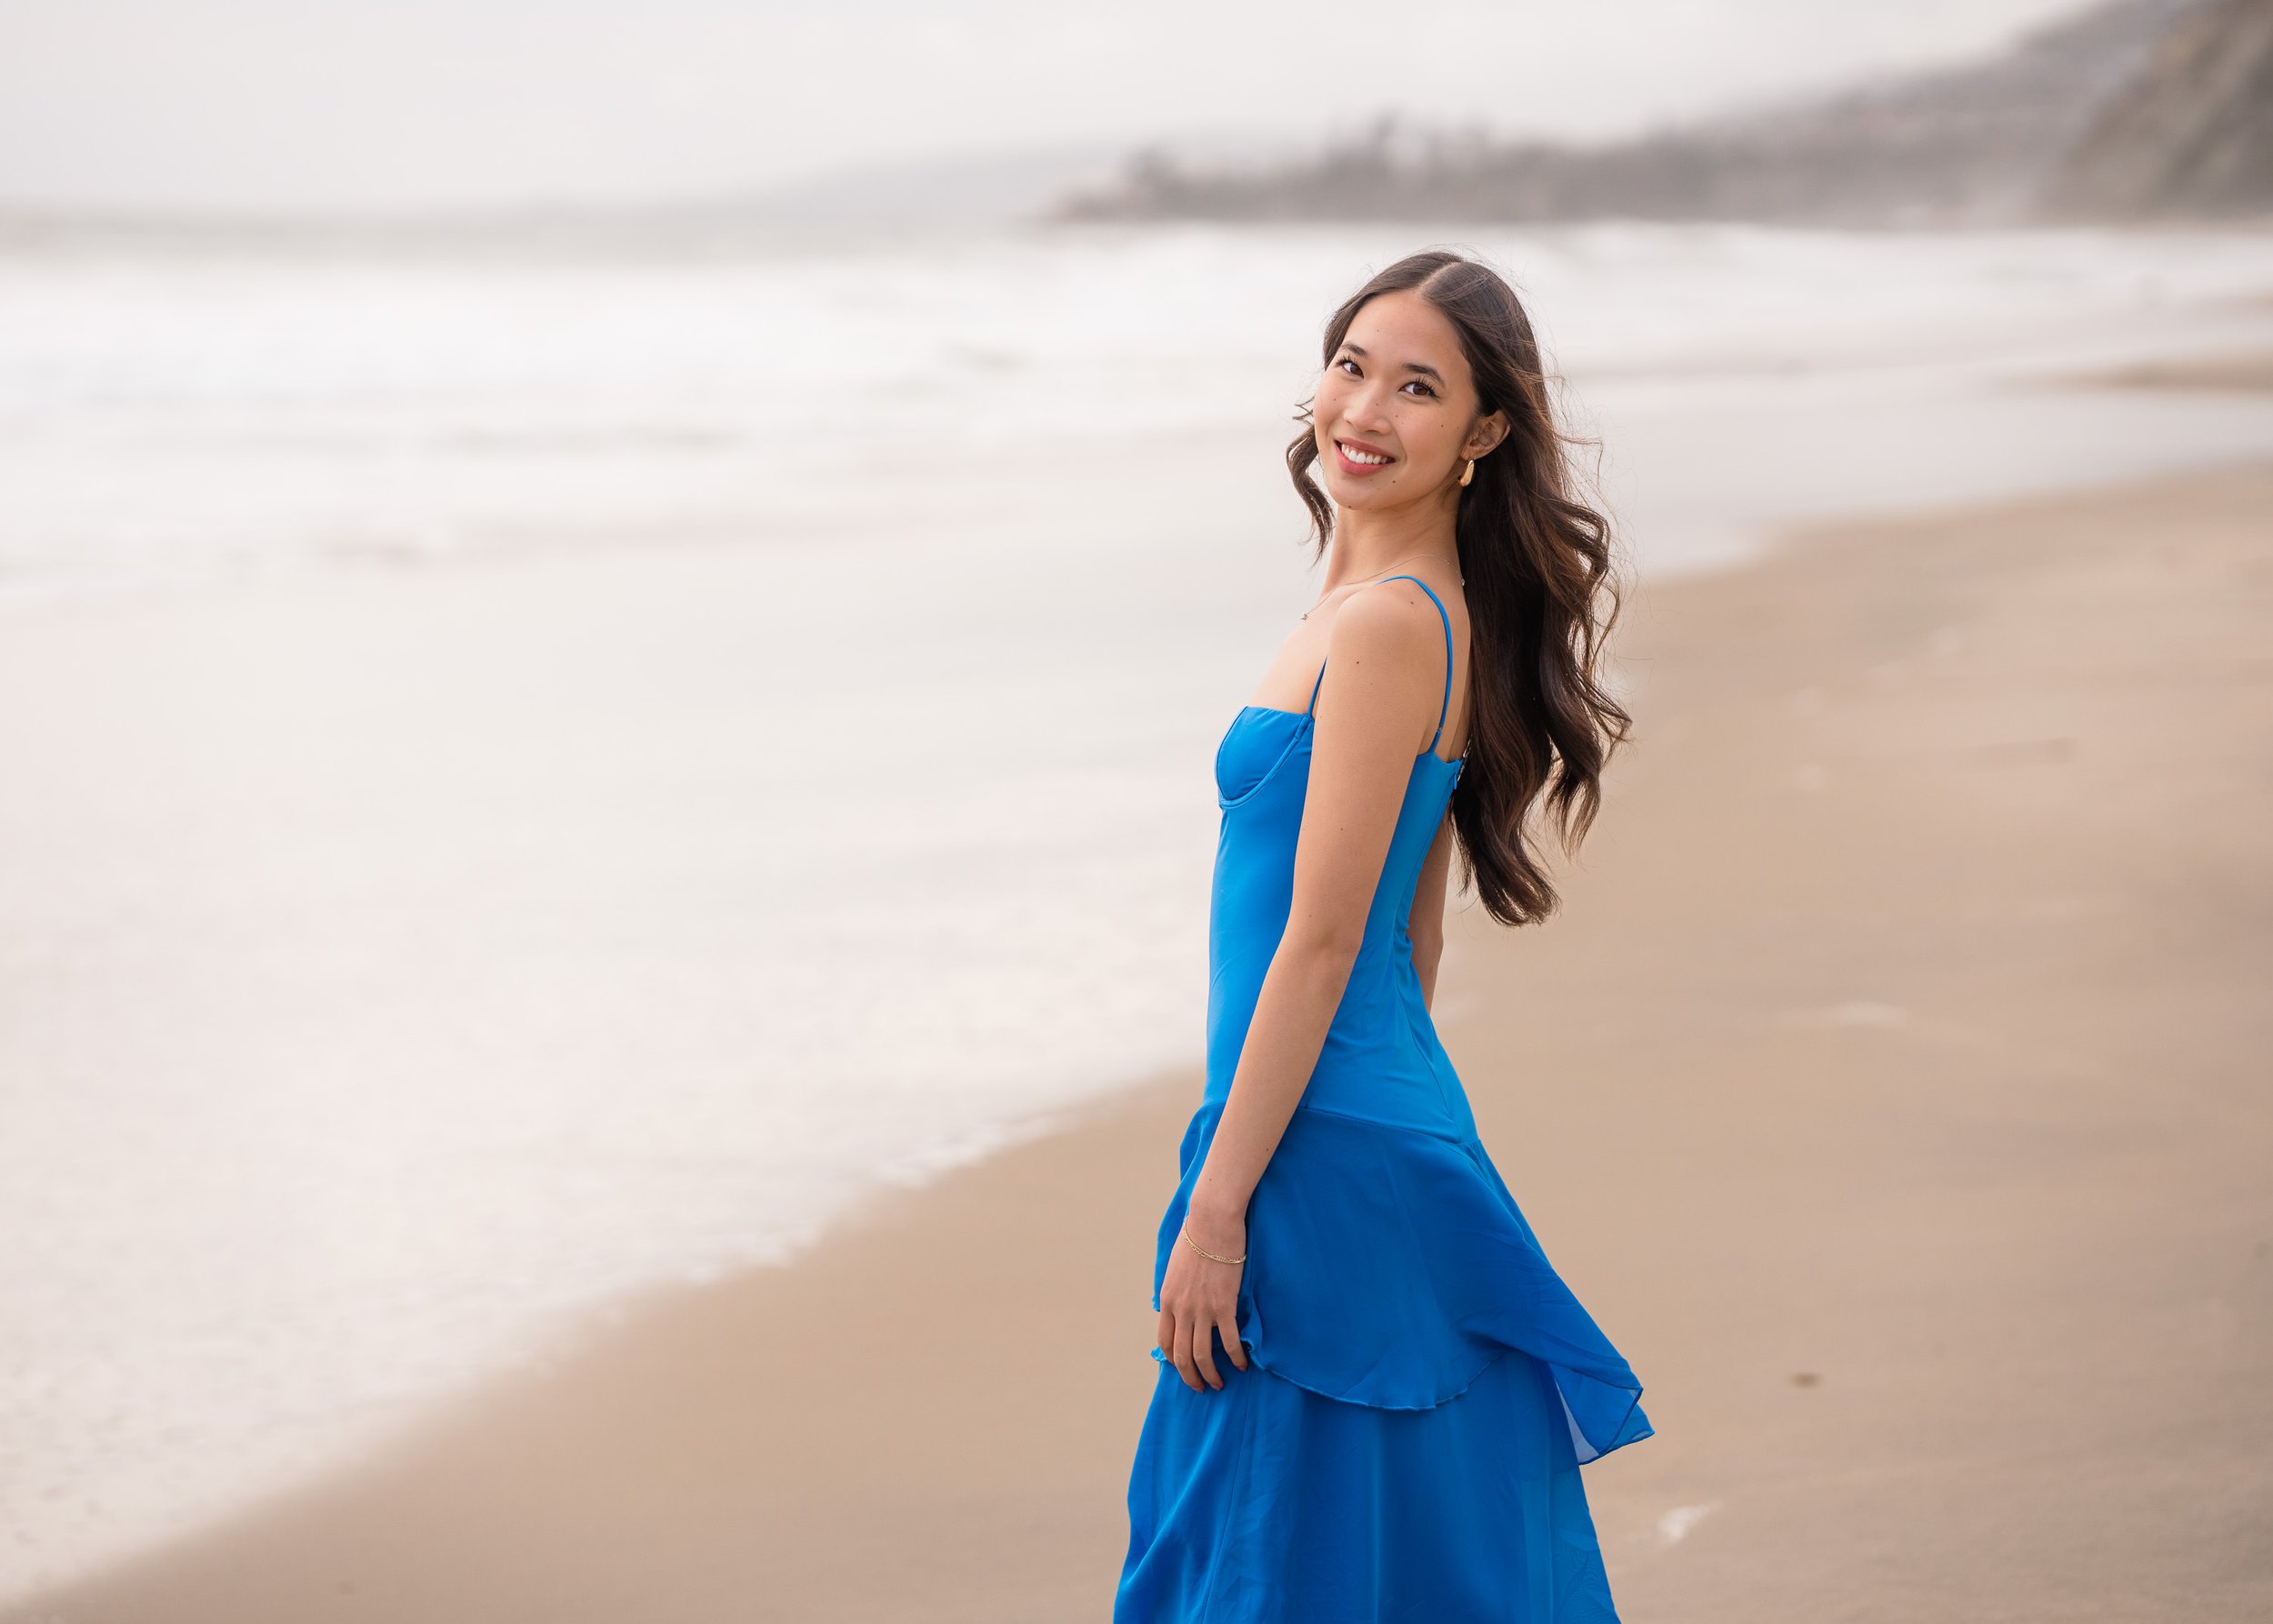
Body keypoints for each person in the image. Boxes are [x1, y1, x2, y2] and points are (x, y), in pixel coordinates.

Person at [1112, 249, 1656, 1622]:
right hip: (1340, 1123)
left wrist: (1228, 1198)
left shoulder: (1391, 630)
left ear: (1482, 435)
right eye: (1352, 365)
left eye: (1419, 387)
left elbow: (1326, 939)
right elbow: (1410, 945)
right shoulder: (1390, 618)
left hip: (1310, 1140)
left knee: (1264, 1549)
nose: (1366, 407)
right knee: (1330, 1541)